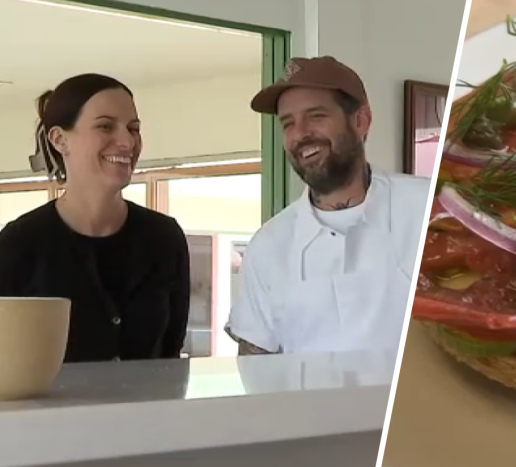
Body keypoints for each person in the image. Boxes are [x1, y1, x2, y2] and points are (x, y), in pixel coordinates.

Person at [225, 56, 431, 355]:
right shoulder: (269, 246)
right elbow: (256, 363)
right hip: (308, 404)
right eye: (288, 123)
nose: (299, 134)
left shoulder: (428, 208)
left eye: (316, 116)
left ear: (360, 121)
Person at [0, 73, 191, 363]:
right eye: (105, 126)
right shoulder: (19, 243)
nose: (127, 141)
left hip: (148, 409)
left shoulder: (164, 237)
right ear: (60, 139)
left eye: (133, 128)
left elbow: (170, 355)